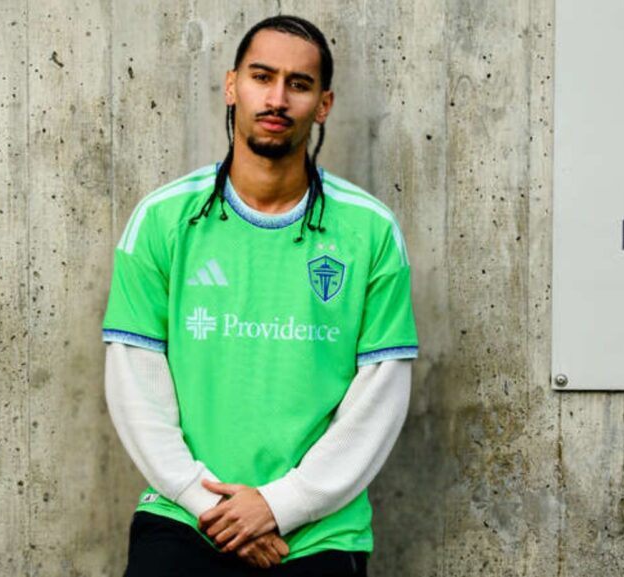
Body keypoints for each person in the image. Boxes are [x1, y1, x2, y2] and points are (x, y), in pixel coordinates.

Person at [102, 14, 418, 576]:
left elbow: (380, 397)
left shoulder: (369, 230)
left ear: (323, 104)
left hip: (319, 527)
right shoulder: (164, 219)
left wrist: (278, 505)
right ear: (232, 86)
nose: (277, 98)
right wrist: (210, 506)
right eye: (261, 77)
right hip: (185, 512)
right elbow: (135, 381)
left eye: (298, 84)